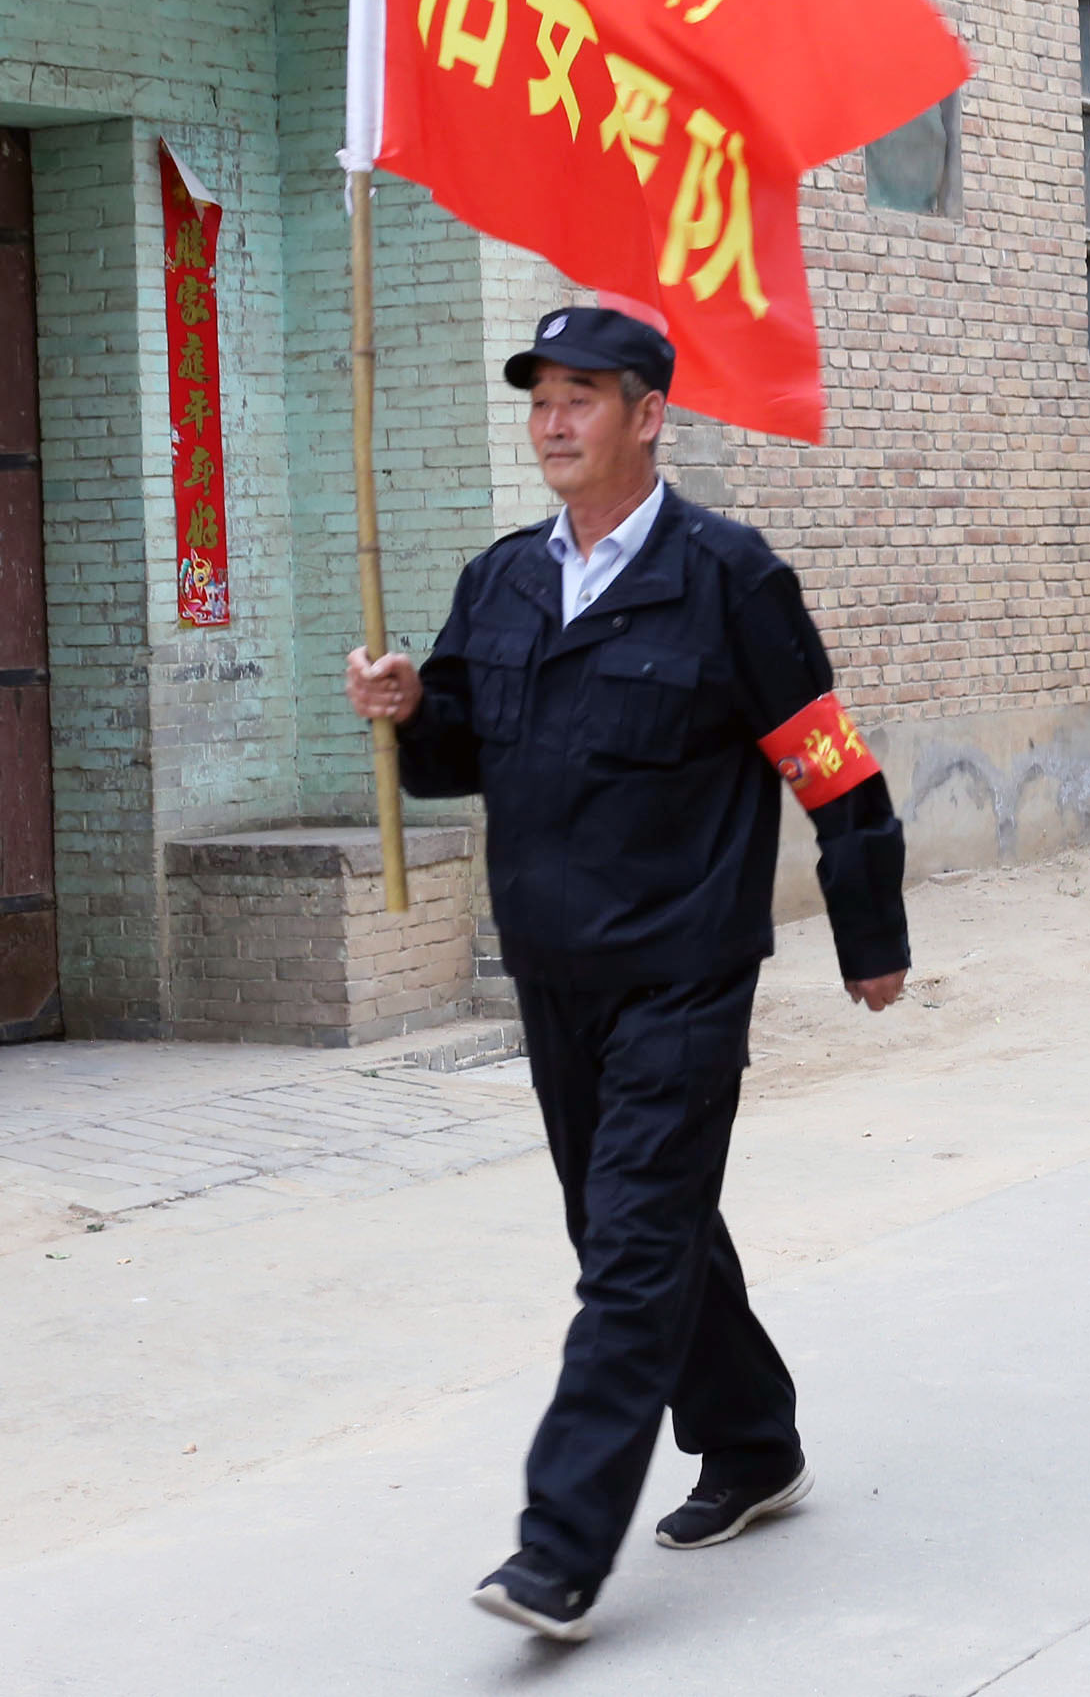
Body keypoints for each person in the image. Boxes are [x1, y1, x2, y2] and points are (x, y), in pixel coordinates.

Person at [343, 307, 910, 1645]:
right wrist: (411, 710)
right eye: (541, 395)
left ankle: (559, 1549)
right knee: (629, 1230)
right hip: (553, 968)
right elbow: (459, 754)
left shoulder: (728, 576)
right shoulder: (500, 581)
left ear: (649, 415)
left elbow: (828, 760)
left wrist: (868, 933)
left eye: (583, 396)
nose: (552, 418)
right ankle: (754, 1440)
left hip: (683, 967)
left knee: (634, 1247)